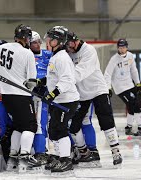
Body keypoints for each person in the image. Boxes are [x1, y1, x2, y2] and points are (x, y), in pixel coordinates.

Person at [66, 32, 123, 167]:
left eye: (69, 44)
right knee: (74, 125)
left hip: (98, 90)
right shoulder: (67, 53)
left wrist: (65, 80)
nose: (67, 47)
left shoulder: (89, 50)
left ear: (76, 41)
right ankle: (84, 152)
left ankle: (116, 152)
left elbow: (81, 71)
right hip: (81, 94)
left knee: (106, 120)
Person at [0, 24, 39, 173]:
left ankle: (12, 159)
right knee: (31, 126)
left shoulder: (1, 48)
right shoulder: (27, 53)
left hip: (6, 96)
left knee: (18, 126)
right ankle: (24, 158)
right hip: (21, 96)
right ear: (26, 38)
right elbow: (32, 81)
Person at [41, 26, 80, 174]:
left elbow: (67, 80)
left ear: (57, 41)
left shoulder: (62, 57)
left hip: (67, 100)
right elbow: (53, 76)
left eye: (50, 39)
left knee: (61, 128)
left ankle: (66, 160)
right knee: (53, 129)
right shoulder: (55, 56)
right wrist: (42, 82)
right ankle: (57, 157)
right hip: (58, 101)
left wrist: (52, 94)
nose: (47, 41)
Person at [104, 39, 141, 136]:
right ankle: (139, 127)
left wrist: (137, 83)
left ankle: (128, 127)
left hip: (130, 84)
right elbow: (107, 74)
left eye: (123, 47)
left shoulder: (130, 56)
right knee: (134, 103)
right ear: (118, 48)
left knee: (133, 105)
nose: (122, 49)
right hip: (120, 87)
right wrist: (108, 87)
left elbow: (134, 70)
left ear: (127, 47)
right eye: (120, 48)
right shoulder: (114, 59)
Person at [29, 31, 52, 166]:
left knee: (41, 124)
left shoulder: (48, 55)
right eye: (34, 42)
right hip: (27, 94)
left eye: (38, 42)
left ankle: (40, 152)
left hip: (43, 95)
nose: (37, 45)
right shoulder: (26, 55)